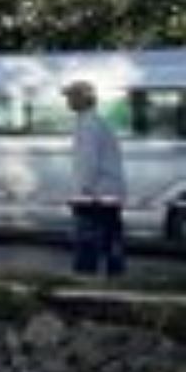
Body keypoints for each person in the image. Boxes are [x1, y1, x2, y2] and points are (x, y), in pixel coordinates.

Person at [64, 79, 127, 278]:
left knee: (87, 240)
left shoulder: (88, 124)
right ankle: (116, 277)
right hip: (111, 190)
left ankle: (84, 280)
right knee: (111, 239)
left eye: (72, 96)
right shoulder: (99, 122)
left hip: (94, 193)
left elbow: (87, 161)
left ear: (85, 99)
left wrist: (82, 190)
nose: (68, 101)